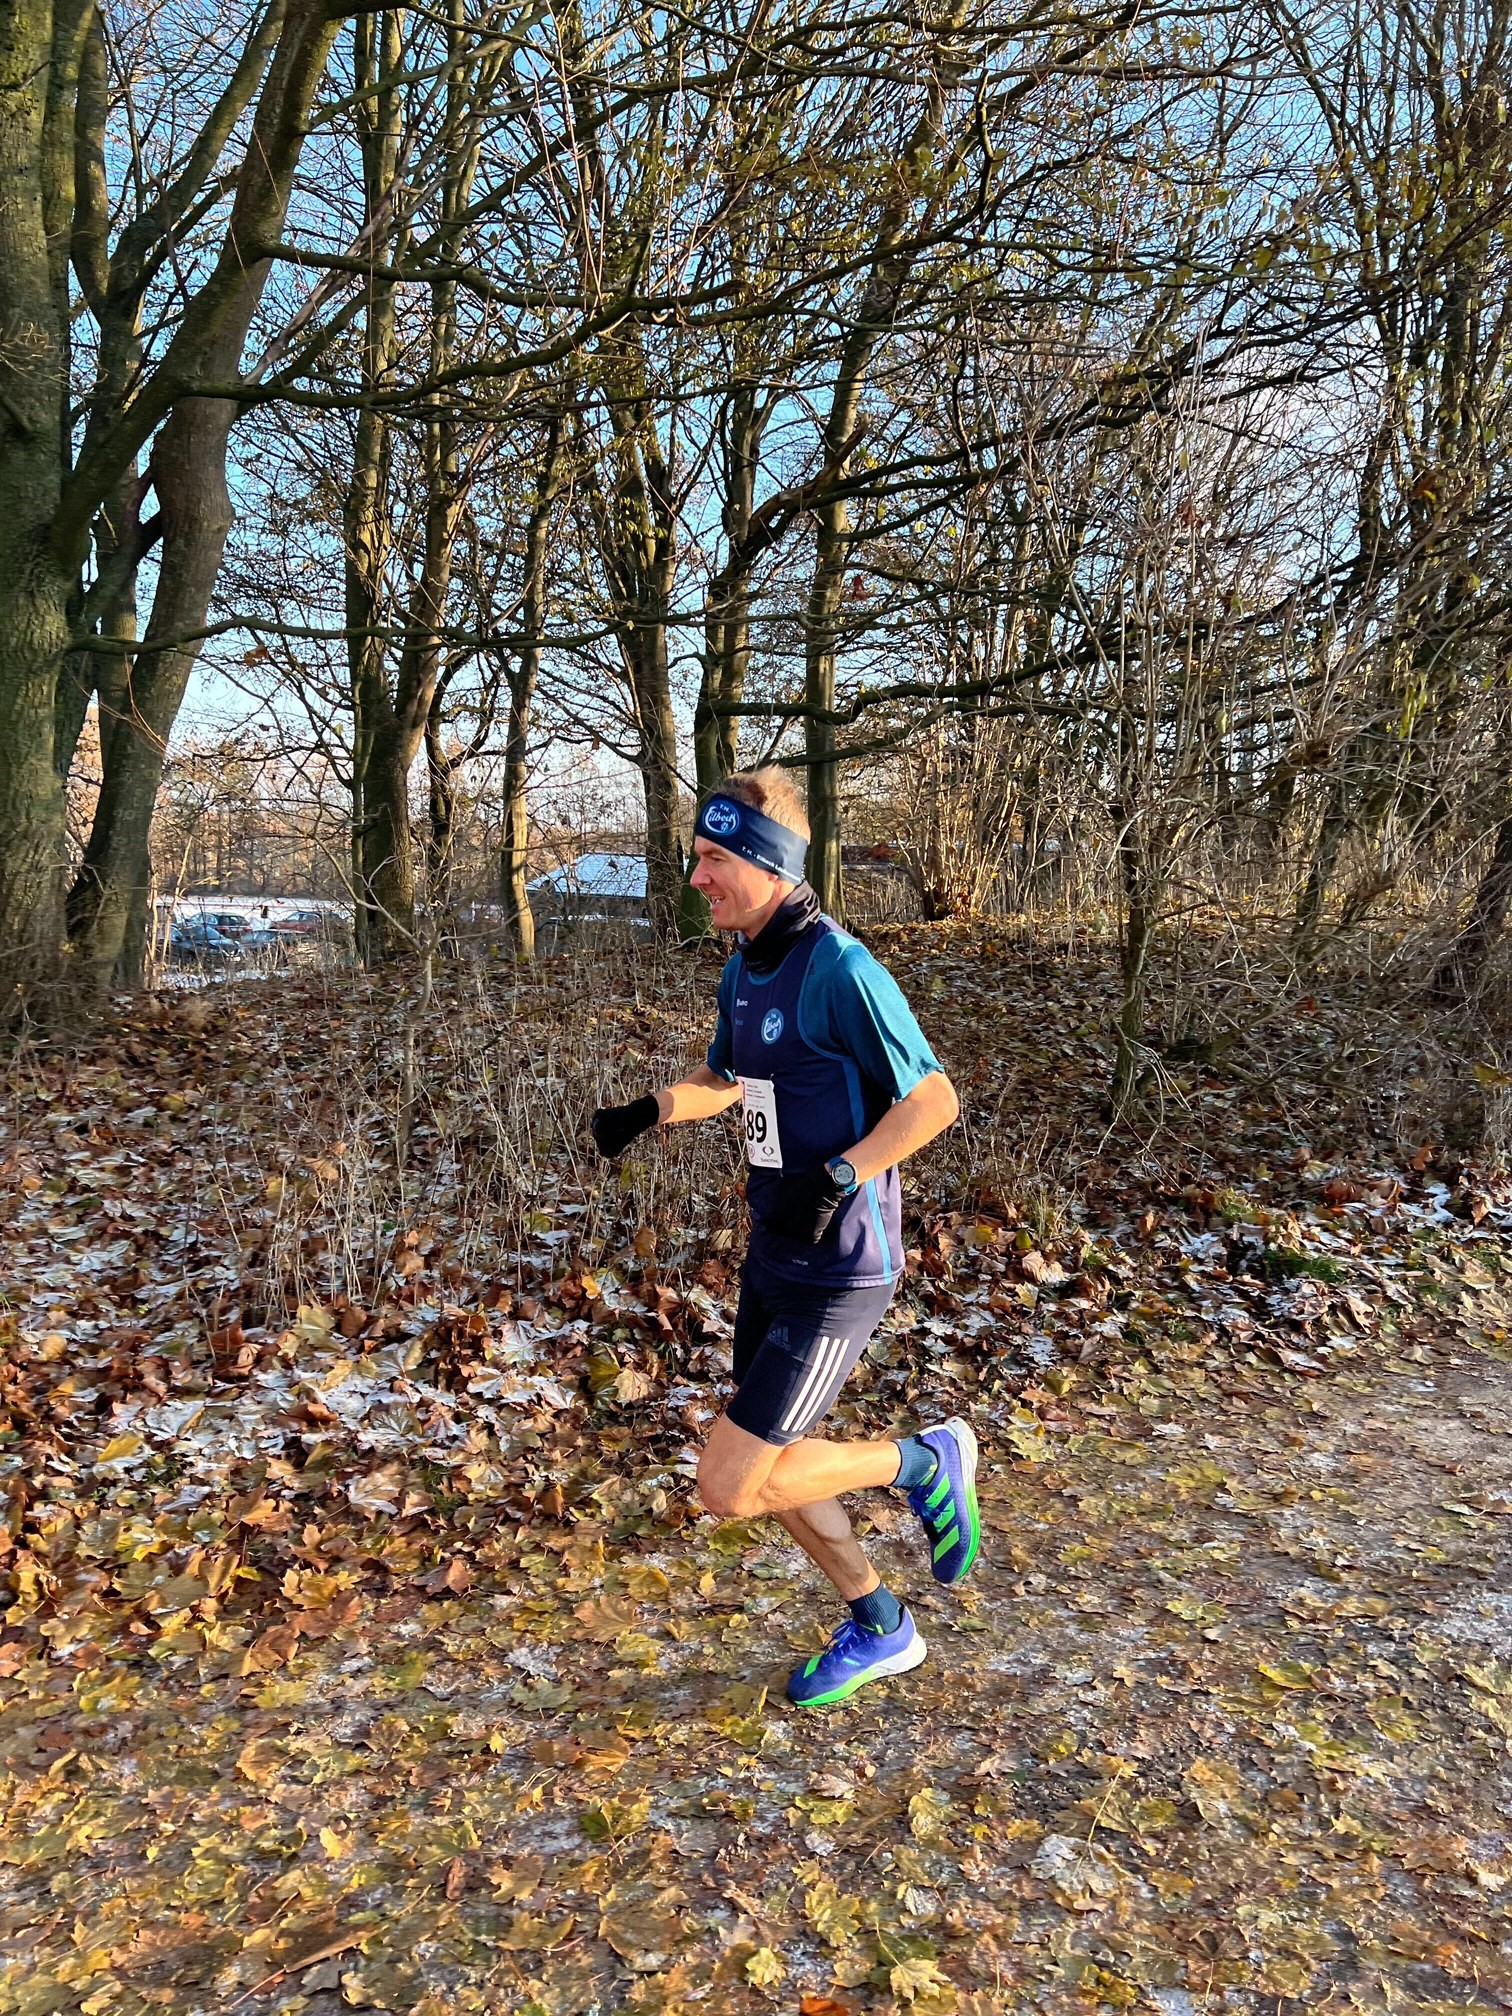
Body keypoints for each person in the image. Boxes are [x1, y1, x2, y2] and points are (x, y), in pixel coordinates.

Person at [590, 767, 978, 1708]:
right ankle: (881, 1624)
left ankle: (925, 1460)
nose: (697, 878)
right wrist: (649, 1110)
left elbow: (935, 1101)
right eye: (696, 857)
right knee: (770, 1465)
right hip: (774, 1251)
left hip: (840, 1268)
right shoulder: (744, 964)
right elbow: (729, 1079)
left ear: (769, 866)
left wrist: (841, 1177)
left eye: (714, 859)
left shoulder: (842, 970)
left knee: (730, 1483)